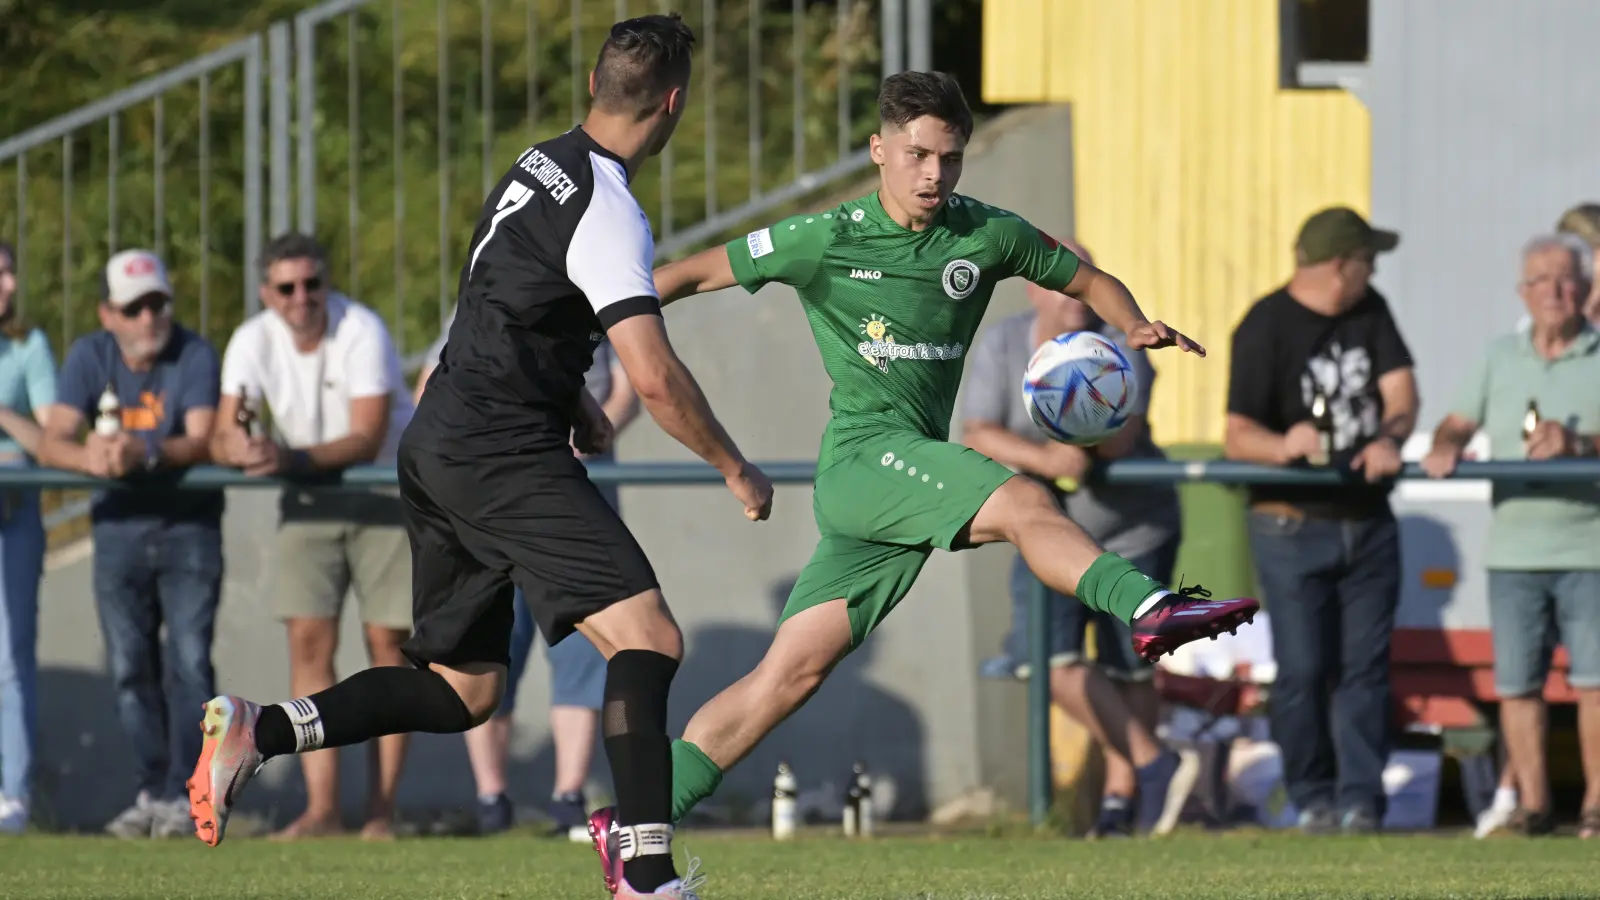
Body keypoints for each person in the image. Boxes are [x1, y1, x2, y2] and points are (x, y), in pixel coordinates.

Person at [188, 15, 755, 900]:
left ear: (595, 86)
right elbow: (652, 375)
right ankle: (645, 871)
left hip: (440, 436)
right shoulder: (608, 206)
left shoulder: (538, 163)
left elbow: (502, 299)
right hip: (501, 450)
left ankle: (260, 730)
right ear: (674, 104)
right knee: (648, 639)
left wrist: (572, 400)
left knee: (464, 690)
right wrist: (731, 464)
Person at [640, 70, 1259, 835]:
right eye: (919, 155)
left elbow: (1089, 279)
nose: (935, 173)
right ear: (879, 149)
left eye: (951, 157)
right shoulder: (824, 237)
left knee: (788, 675)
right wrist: (589, 318)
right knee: (1027, 500)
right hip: (868, 458)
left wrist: (1131, 323)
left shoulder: (986, 233)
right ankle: (1151, 608)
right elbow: (689, 274)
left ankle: (639, 816)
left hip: (898, 475)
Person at [963, 270, 1186, 837]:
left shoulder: (1120, 344)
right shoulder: (1004, 341)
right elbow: (977, 432)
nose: (1073, 298)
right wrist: (1045, 459)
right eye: (1059, 284)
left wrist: (1071, 415)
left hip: (1136, 531)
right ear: (1033, 290)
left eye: (1081, 284)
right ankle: (1153, 761)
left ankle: (1122, 800)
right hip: (1050, 533)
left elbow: (1119, 439)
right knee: (1044, 660)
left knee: (1129, 670)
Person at [209, 232, 416, 841]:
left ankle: (381, 812)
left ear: (328, 284)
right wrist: (239, 446)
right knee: (307, 644)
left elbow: (367, 437)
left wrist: (284, 457)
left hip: (386, 490)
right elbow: (221, 433)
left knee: (390, 645)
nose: (301, 297)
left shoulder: (362, 329)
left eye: (312, 283)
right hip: (306, 494)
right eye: (287, 287)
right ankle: (322, 810)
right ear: (265, 292)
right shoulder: (251, 340)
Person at [1223, 207, 1417, 834]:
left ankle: (1361, 803)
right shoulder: (1264, 325)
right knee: (1303, 671)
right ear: (1340, 265)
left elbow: (1402, 394)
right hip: (1289, 528)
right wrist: (1284, 446)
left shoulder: (1372, 310)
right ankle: (1312, 798)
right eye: (1368, 260)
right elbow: (1237, 435)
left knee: (1365, 670)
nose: (1375, 271)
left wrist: (1390, 438)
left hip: (1368, 522)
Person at [415, 314, 638, 838]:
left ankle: (569, 798)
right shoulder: (478, 310)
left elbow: (629, 388)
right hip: (496, 499)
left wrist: (581, 440)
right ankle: (491, 800)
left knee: (584, 649)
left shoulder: (592, 308)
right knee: (489, 643)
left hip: (575, 496)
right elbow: (429, 390)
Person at [38, 249, 224, 839]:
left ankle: (192, 794)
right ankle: (154, 788)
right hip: (117, 530)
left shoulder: (194, 352)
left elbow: (203, 438)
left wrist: (142, 452)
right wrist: (91, 458)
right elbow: (53, 439)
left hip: (189, 529)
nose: (149, 318)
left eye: (158, 304)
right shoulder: (88, 354)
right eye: (134, 307)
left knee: (190, 665)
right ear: (107, 314)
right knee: (129, 668)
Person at [1422, 232, 1600, 838]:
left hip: (1590, 549)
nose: (1554, 291)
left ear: (1585, 288)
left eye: (1566, 279)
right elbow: (1456, 422)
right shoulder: (1497, 357)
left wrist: (1579, 445)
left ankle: (1596, 809)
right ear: (1523, 291)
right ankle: (1534, 806)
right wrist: (1446, 445)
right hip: (1514, 551)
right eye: (1541, 280)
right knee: (1517, 687)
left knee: (1594, 684)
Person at [0, 241, 55, 834]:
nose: (9, 285)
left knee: (10, 657)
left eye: (10, 272)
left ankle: (12, 796)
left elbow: (48, 439)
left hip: (13, 517)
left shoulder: (27, 345)